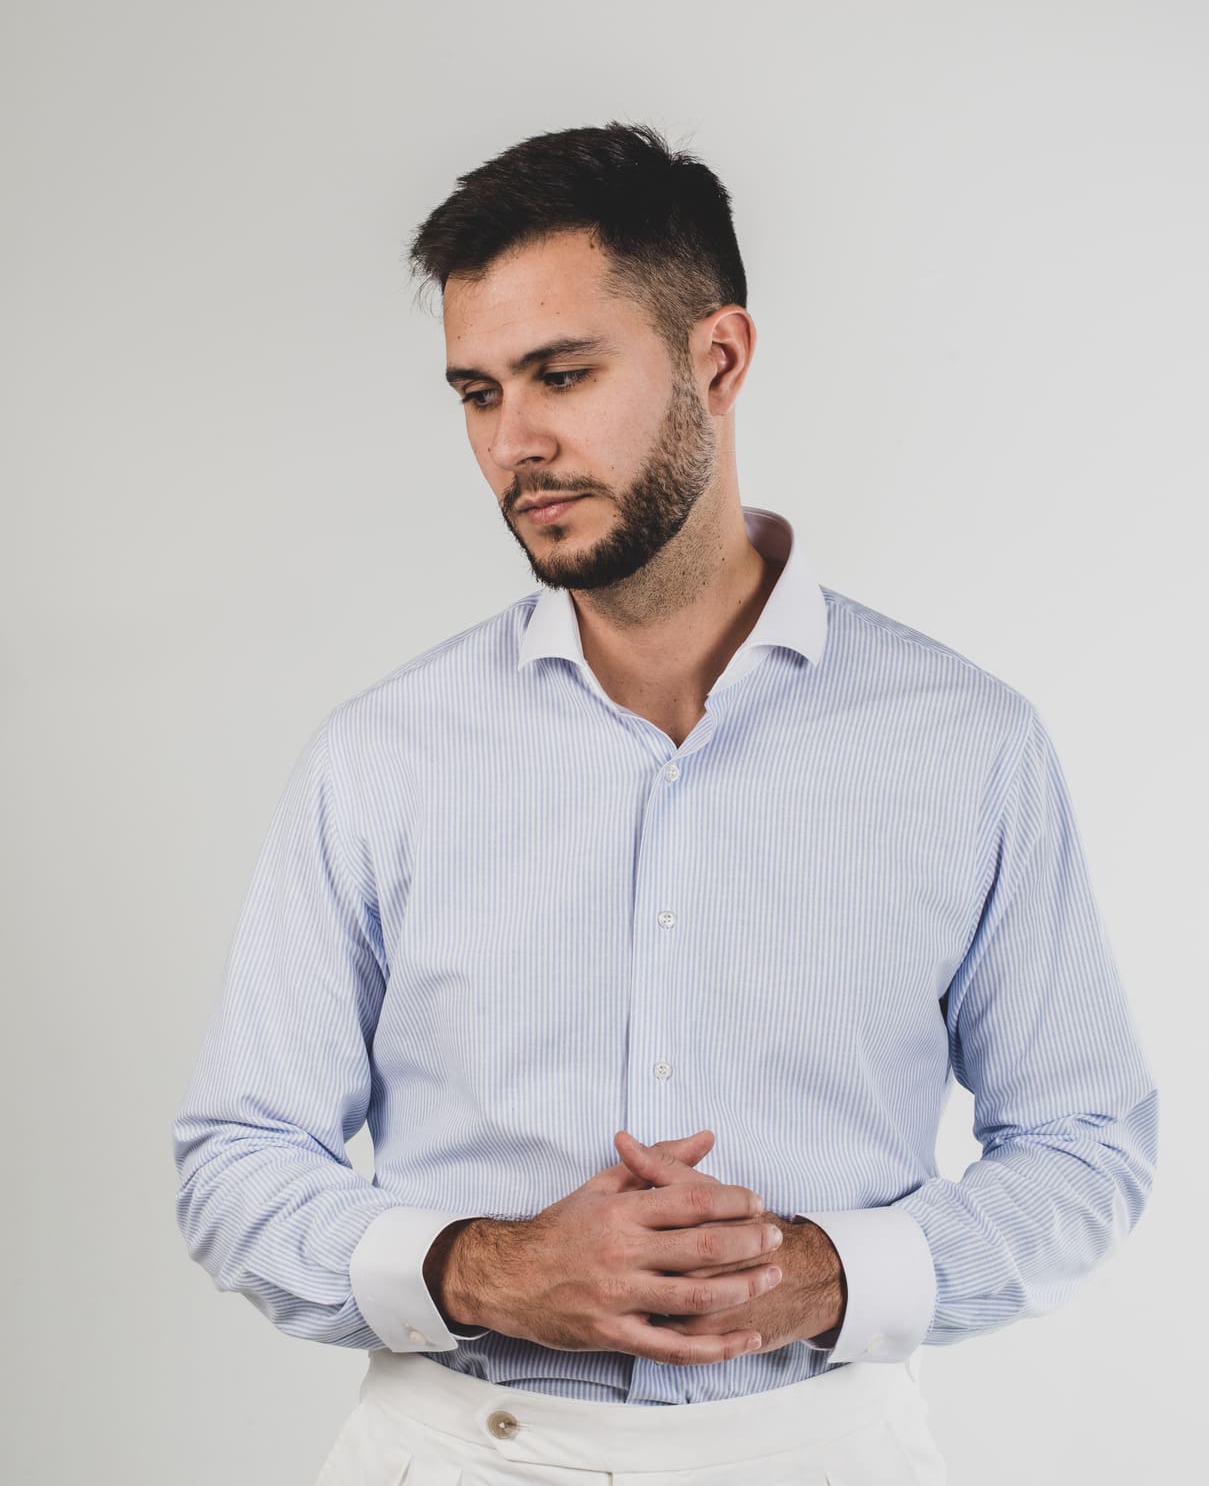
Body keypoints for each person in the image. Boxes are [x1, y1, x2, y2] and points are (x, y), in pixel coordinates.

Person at [172, 122, 1158, 1485]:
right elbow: (238, 1153)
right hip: (459, 1450)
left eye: (561, 374)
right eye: (476, 393)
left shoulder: (966, 745)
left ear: (720, 360)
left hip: (821, 1451)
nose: (514, 443)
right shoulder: (380, 757)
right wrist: (484, 1268)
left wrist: (822, 1274)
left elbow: (1084, 1146)